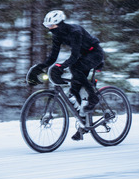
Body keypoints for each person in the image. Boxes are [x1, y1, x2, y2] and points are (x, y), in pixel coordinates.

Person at [35, 10, 104, 141]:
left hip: (94, 53)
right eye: (48, 27)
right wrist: (39, 67)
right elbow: (53, 57)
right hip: (83, 56)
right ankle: (84, 124)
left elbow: (75, 55)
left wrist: (62, 66)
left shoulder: (74, 31)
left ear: (60, 24)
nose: (50, 29)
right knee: (74, 90)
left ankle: (93, 98)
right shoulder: (57, 35)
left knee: (75, 67)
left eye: (52, 26)